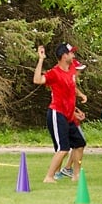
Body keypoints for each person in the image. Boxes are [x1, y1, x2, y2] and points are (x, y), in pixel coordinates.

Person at [33, 43, 86, 183]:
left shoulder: (71, 70)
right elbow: (37, 80)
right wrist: (41, 59)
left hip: (69, 116)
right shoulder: (54, 73)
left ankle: (76, 175)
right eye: (71, 53)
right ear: (64, 56)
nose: (73, 55)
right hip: (57, 114)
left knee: (80, 144)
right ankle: (49, 177)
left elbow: (70, 89)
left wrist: (79, 100)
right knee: (63, 148)